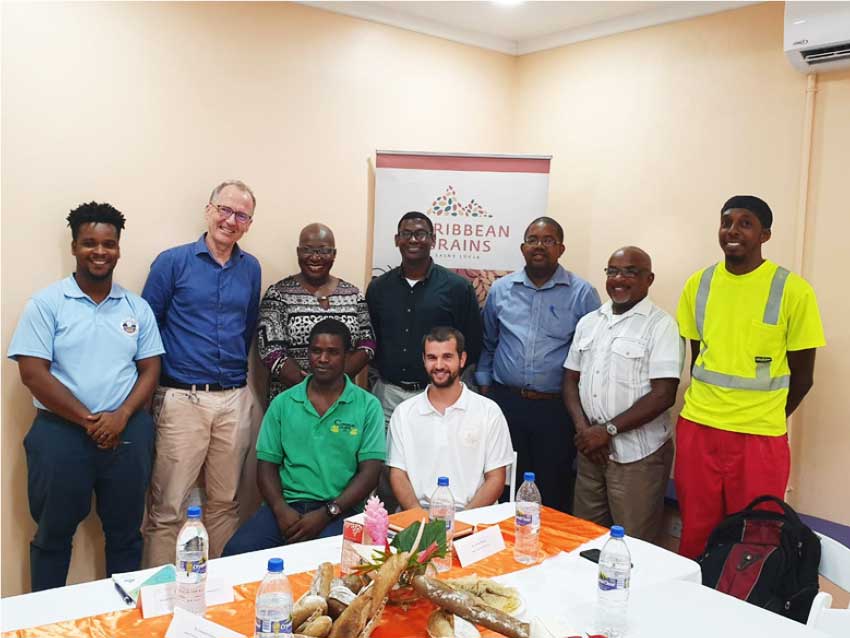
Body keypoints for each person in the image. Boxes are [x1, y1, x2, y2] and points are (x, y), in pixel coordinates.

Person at [8, 202, 164, 591]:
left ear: (118, 250)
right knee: (52, 537)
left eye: (108, 244)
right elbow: (32, 373)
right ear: (74, 247)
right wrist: (90, 421)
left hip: (127, 433)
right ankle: (44, 625)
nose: (99, 251)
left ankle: (122, 623)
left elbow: (151, 369)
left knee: (127, 535)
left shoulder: (136, 308)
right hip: (60, 436)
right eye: (90, 243)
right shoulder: (47, 304)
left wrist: (122, 415)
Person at [675, 195, 825, 559]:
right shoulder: (700, 284)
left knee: (757, 535)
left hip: (759, 437)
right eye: (727, 222)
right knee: (697, 529)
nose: (733, 231)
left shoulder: (793, 289)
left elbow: (803, 376)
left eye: (745, 223)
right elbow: (699, 360)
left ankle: (746, 609)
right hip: (699, 427)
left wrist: (767, 412)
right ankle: (691, 605)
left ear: (765, 235)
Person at [141, 180, 262, 565]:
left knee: (224, 504)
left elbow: (247, 327)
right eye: (224, 210)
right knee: (168, 509)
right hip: (181, 399)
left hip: (233, 398)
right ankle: (160, 599)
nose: (231, 220)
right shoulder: (172, 262)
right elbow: (147, 330)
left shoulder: (251, 268)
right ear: (209, 209)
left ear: (249, 223)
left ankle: (219, 599)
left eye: (241, 215)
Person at [222, 319, 385, 554]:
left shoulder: (367, 405)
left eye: (332, 352)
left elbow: (370, 473)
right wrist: (279, 509)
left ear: (347, 356)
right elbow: (266, 466)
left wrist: (329, 512)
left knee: (324, 560)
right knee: (235, 553)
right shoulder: (283, 403)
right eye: (316, 351)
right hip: (287, 506)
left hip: (342, 510)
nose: (323, 359)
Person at [476, 216, 600, 513]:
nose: (539, 246)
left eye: (548, 240)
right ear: (522, 247)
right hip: (507, 403)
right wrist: (485, 393)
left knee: (553, 487)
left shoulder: (582, 294)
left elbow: (593, 355)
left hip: (556, 409)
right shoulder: (501, 290)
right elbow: (489, 343)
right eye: (533, 240)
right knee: (504, 483)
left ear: (561, 248)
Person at [366, 211, 482, 510]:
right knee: (388, 471)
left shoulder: (457, 288)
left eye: (420, 234)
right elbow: (371, 340)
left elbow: (473, 342)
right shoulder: (379, 288)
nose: (413, 240)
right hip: (389, 395)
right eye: (406, 234)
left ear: (433, 240)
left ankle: (438, 530)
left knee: (437, 464)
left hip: (437, 395)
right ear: (397, 240)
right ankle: (393, 533)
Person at [563, 247, 681, 542]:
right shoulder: (590, 321)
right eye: (613, 271)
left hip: (637, 458)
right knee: (583, 540)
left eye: (630, 272)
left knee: (633, 546)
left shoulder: (662, 325)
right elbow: (569, 380)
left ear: (649, 279)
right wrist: (586, 432)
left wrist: (608, 430)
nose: (619, 279)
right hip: (591, 452)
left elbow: (664, 394)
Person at [388, 327, 514, 511]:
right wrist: (420, 520)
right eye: (432, 358)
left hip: (474, 518)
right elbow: (398, 475)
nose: (439, 365)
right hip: (417, 518)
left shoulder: (488, 411)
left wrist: (463, 523)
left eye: (447, 357)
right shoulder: (404, 413)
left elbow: (496, 478)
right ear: (423, 360)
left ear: (462, 359)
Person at [257, 223, 375, 405]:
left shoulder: (353, 294)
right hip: (291, 400)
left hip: (342, 401)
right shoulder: (278, 294)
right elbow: (270, 350)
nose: (315, 257)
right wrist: (310, 386)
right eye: (307, 250)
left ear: (334, 254)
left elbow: (368, 343)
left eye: (324, 251)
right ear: (298, 252)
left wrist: (337, 380)